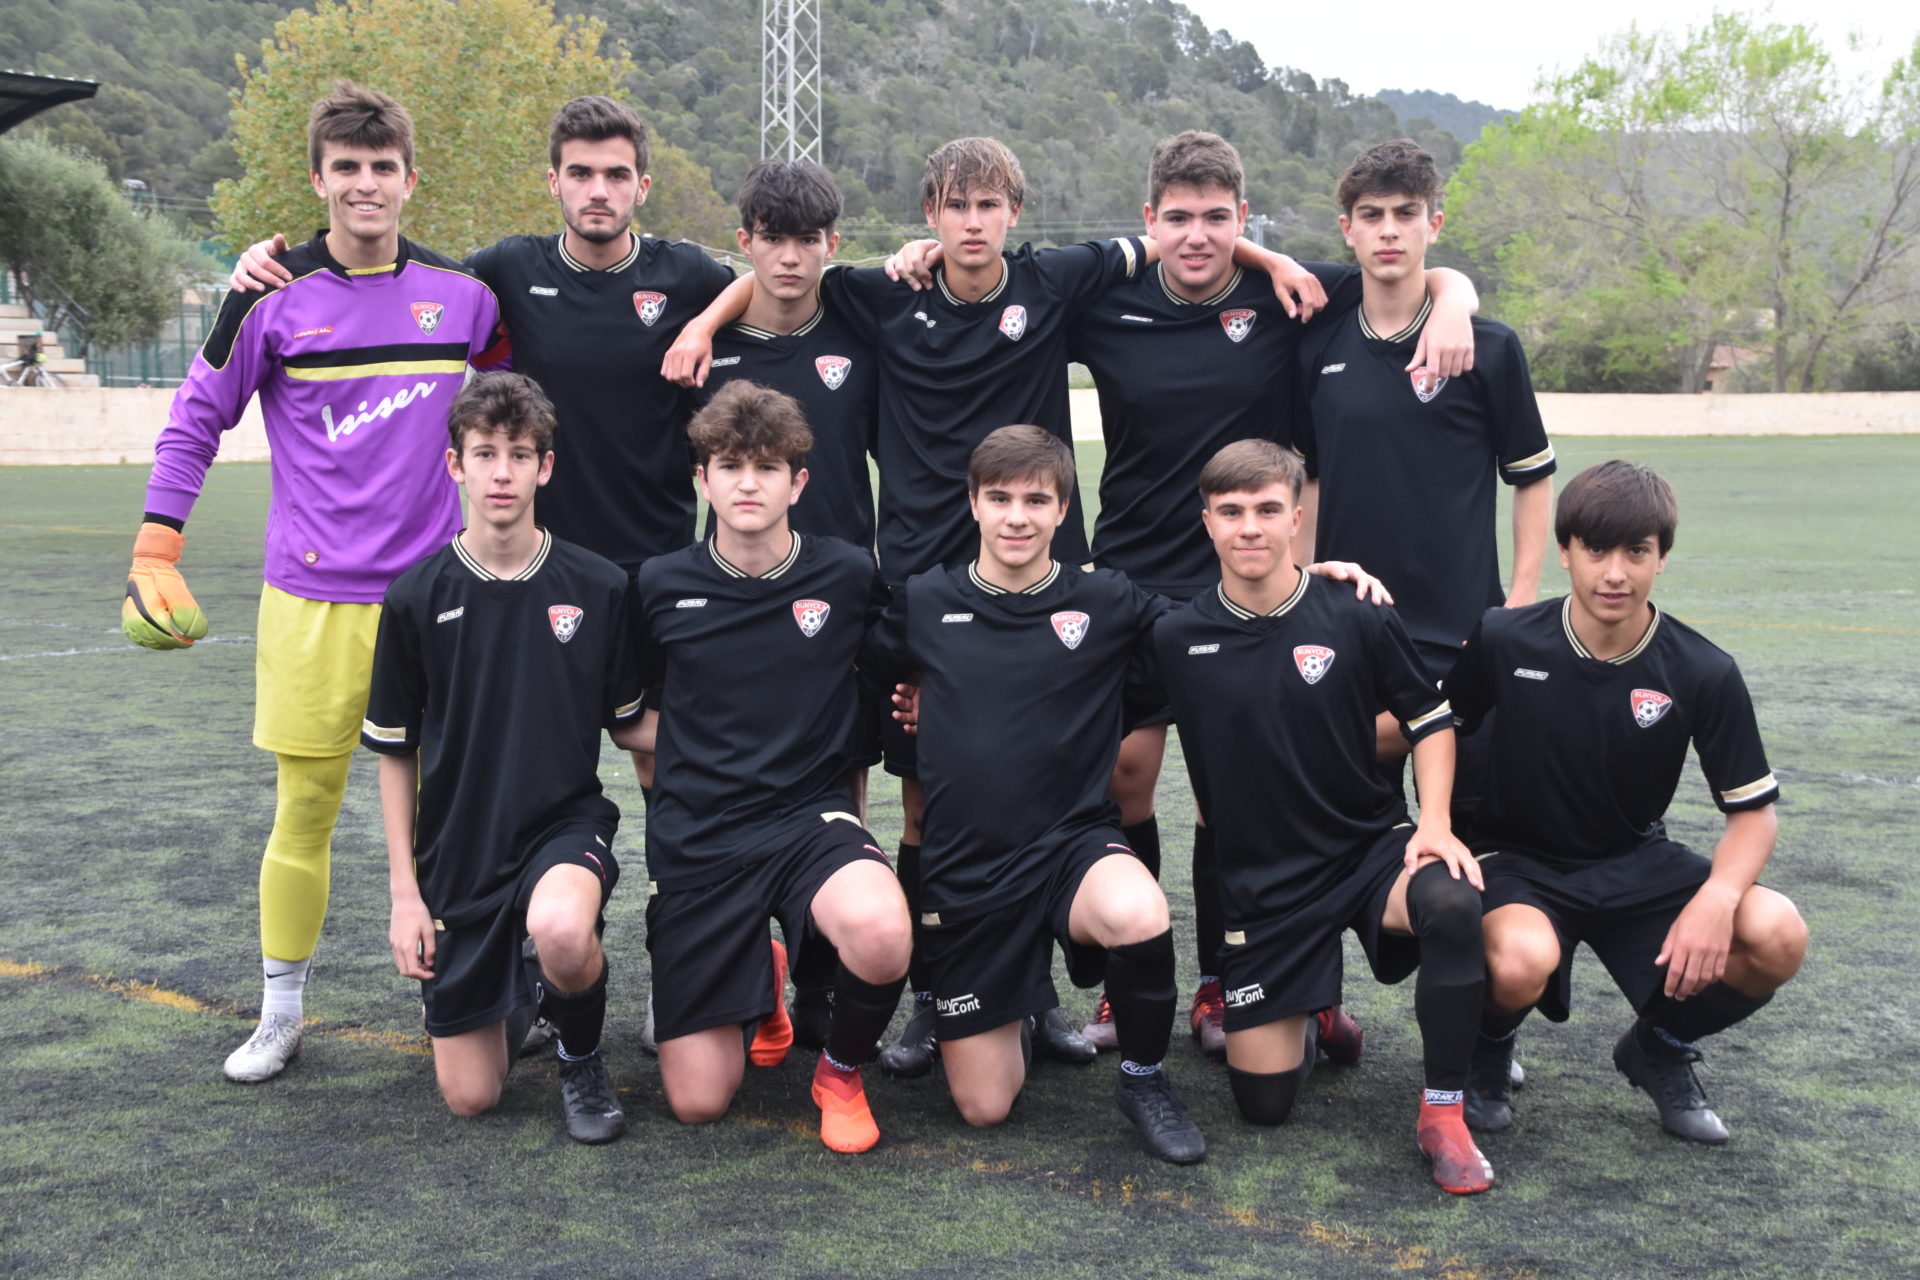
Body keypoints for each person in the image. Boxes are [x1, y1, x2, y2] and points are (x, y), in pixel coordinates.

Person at [667, 135, 1329, 1074]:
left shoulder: (1055, 280)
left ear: (1014, 213)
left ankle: (1043, 994)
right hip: (923, 583)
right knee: (926, 805)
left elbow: (1183, 239)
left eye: (988, 205)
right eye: (954, 206)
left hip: (1044, 574)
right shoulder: (883, 292)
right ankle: (932, 997)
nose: (972, 223)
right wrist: (703, 323)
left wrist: (1274, 257)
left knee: (1060, 789)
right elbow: (786, 275)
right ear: (929, 217)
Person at [1064, 129, 1481, 1059]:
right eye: (1179, 217)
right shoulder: (1108, 303)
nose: (1198, 235)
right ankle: (1128, 982)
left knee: (1236, 794)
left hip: (1253, 579)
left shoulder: (1289, 295)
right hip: (1135, 576)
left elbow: (1405, 269)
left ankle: (1234, 976)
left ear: (1244, 219)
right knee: (1125, 776)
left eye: (1219, 218)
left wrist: (1456, 297)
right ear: (1149, 219)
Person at [123, 82, 506, 1083]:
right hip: (312, 601)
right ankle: (281, 1009)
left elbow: (525, 399)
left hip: (438, 601)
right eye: (347, 168)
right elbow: (196, 417)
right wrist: (157, 545)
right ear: (318, 178)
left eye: (383, 167)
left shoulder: (466, 299)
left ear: (411, 178)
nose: (365, 184)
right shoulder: (267, 295)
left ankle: (471, 998)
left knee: (458, 813)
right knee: (305, 811)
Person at [1146, 440, 1496, 1195]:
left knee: (1451, 900)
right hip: (1266, 885)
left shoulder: (1355, 610)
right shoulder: (1175, 636)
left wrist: (1435, 823)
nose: (1250, 527)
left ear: (1297, 518)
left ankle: (1444, 1110)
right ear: (1206, 522)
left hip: (1368, 850)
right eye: (1231, 512)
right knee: (1263, 1107)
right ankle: (1316, 1009)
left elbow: (1432, 719)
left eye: (1268, 510)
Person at [859, 425, 1203, 1163]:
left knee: (1140, 911)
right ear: (973, 504)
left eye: (1036, 500)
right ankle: (1019, 1005)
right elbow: (863, 663)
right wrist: (917, 692)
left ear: (1062, 510)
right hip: (970, 865)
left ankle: (1144, 1079)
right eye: (1000, 498)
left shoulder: (1107, 599)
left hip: (1072, 844)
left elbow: (1213, 628)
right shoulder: (925, 600)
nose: (1017, 517)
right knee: (983, 1108)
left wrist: (1308, 582)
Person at [1442, 461, 1807, 1145]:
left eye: (1636, 551)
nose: (1615, 573)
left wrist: (1718, 898)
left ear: (1661, 557)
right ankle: (1489, 1047)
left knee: (1778, 933)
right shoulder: (1504, 637)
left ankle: (1657, 1046)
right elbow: (1437, 728)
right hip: (1518, 860)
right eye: (1597, 550)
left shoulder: (1703, 669)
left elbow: (1753, 813)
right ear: (1565, 551)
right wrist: (1434, 821)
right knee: (1519, 960)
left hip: (1635, 858)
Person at [629, 380, 911, 1153]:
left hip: (807, 820)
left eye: (766, 466)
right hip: (701, 833)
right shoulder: (659, 584)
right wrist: (713, 743)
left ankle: (839, 1073)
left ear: (799, 481)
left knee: (883, 929)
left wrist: (916, 694)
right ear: (703, 480)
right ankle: (762, 972)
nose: (747, 483)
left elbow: (895, 661)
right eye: (730, 465)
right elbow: (625, 721)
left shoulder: (846, 573)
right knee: (697, 1103)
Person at [364, 371, 638, 1143]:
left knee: (562, 929)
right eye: (485, 454)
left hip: (562, 827)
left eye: (520, 455)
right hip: (460, 851)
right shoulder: (415, 596)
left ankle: (580, 1058)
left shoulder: (598, 586)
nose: (502, 473)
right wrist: (405, 895)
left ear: (545, 467)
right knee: (471, 1097)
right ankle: (527, 982)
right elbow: (395, 752)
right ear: (456, 465)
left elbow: (637, 727)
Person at [1291, 138, 1557, 840]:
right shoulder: (1316, 348)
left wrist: (1517, 607)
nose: (1389, 230)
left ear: (1433, 225)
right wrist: (1301, 593)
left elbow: (1532, 477)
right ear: (1347, 229)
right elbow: (1309, 480)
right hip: (1355, 633)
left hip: (1466, 635)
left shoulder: (1487, 347)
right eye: (1371, 215)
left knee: (1477, 843)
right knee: (1353, 843)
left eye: (1406, 213)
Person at [694, 158, 884, 1048]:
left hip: (840, 596)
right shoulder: (711, 346)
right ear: (746, 242)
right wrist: (705, 319)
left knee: (842, 774)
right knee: (728, 772)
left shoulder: (859, 320)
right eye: (772, 239)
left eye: (808, 240)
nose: (790, 258)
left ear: (832, 245)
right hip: (732, 597)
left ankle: (821, 978)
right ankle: (739, 962)